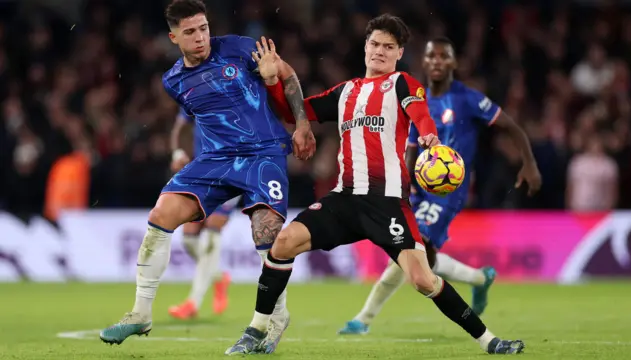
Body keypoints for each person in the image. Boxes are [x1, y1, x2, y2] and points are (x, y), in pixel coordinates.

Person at [226, 14, 526, 356]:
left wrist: (428, 134)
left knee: (423, 280)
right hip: (345, 198)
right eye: (374, 44)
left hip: (387, 202)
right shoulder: (345, 92)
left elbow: (419, 112)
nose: (380, 51)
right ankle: (256, 329)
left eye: (388, 47)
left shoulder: (402, 83)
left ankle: (490, 341)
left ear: (399, 53)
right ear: (365, 47)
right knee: (283, 243)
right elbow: (294, 112)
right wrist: (271, 81)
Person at [99, 0, 316, 352]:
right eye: (190, 32)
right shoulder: (173, 81)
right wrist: (180, 151)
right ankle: (140, 313)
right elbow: (193, 118)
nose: (200, 37)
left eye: (203, 28)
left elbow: (286, 75)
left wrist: (301, 122)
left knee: (266, 234)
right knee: (160, 216)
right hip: (215, 158)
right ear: (173, 37)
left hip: (262, 153)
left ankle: (273, 318)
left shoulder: (242, 48)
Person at [337, 36, 542, 335]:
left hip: (449, 191)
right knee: (418, 258)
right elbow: (409, 147)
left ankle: (364, 319)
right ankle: (478, 278)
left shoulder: (469, 99)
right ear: (424, 61)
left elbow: (512, 127)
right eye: (432, 56)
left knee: (411, 247)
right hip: (418, 189)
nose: (436, 62)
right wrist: (403, 185)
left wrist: (529, 163)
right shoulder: (415, 99)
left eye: (443, 56)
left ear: (454, 62)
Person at [166, 108, 237, 319]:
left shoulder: (238, 96)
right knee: (189, 238)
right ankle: (218, 277)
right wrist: (177, 153)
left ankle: (192, 303)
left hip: (231, 173)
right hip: (202, 173)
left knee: (210, 234)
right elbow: (179, 128)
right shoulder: (195, 95)